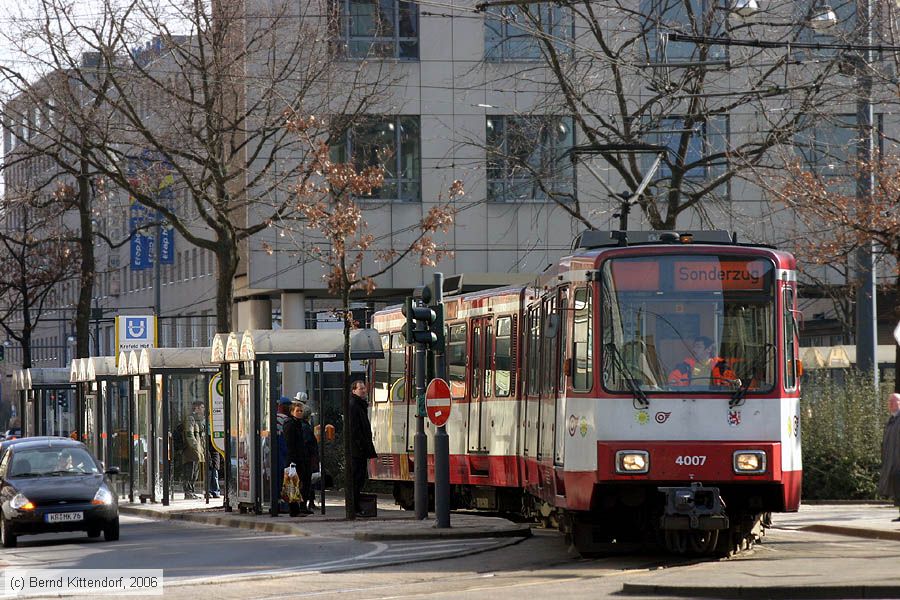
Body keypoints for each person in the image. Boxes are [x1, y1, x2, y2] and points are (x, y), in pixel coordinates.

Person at [348, 380, 377, 517]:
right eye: (361, 388)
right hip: (356, 450)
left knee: (359, 479)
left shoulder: (359, 405)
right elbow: (354, 430)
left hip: (358, 449)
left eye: (364, 388)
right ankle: (354, 507)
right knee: (356, 479)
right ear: (354, 391)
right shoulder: (354, 405)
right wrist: (361, 446)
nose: (364, 390)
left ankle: (355, 507)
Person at [668, 336, 736, 387]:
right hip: (690, 399)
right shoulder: (685, 366)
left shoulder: (721, 366)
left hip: (714, 400)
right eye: (694, 347)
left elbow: (730, 385)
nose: (694, 350)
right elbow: (673, 381)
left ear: (709, 349)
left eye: (698, 347)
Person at [283, 399, 311, 516]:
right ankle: (294, 510)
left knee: (297, 484)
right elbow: (291, 444)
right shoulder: (290, 425)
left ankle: (297, 509)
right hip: (293, 459)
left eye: (301, 411)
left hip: (300, 458)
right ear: (292, 412)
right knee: (292, 484)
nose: (300, 412)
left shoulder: (298, 424)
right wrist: (293, 459)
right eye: (297, 411)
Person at [879, 393, 900, 520]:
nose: (891, 404)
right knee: (897, 489)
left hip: (898, 461)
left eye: (894, 401)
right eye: (889, 401)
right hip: (892, 461)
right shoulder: (891, 420)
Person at [296, 394, 319, 511]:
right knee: (306, 482)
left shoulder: (301, 425)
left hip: (305, 458)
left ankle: (306, 503)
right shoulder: (305, 427)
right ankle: (303, 505)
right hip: (306, 458)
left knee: (307, 482)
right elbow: (308, 443)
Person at [182, 401, 205, 500]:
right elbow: (189, 435)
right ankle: (188, 492)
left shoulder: (198, 419)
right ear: (197, 408)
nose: (203, 409)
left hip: (196, 451)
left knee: (195, 472)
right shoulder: (191, 419)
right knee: (190, 472)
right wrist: (197, 447)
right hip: (191, 451)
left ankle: (192, 491)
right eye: (202, 407)